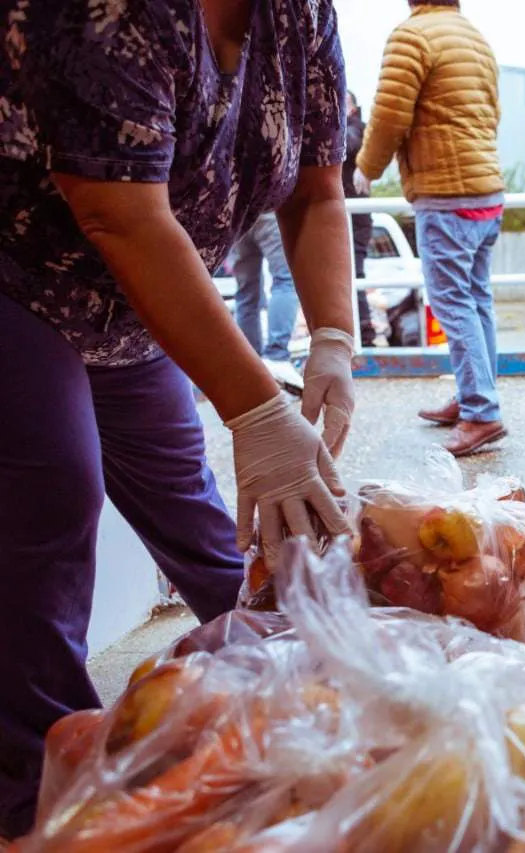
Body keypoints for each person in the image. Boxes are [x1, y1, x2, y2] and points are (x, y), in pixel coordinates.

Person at [0, 0, 357, 838]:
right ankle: (36, 789)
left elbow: (318, 190)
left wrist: (334, 338)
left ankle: (316, 706)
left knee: (217, 520)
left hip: (129, 303)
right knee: (53, 491)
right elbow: (118, 212)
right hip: (19, 273)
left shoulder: (301, 15)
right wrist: (258, 409)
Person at [355, 0, 507, 458]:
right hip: (486, 191)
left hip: (446, 194)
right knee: (476, 299)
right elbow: (492, 113)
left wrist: (367, 168)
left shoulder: (412, 36)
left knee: (452, 301)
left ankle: (481, 413)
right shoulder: (474, 36)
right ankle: (474, 393)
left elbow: (388, 117)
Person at [229, 213, 306, 390]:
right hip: (270, 209)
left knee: (246, 291)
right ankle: (276, 356)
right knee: (285, 280)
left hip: (238, 215)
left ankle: (250, 363)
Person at [344, 92, 379, 349]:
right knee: (345, 272)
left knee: (354, 270)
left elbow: (349, 144)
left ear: (354, 108)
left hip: (355, 216)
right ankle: (356, 330)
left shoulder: (358, 129)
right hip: (342, 213)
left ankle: (364, 331)